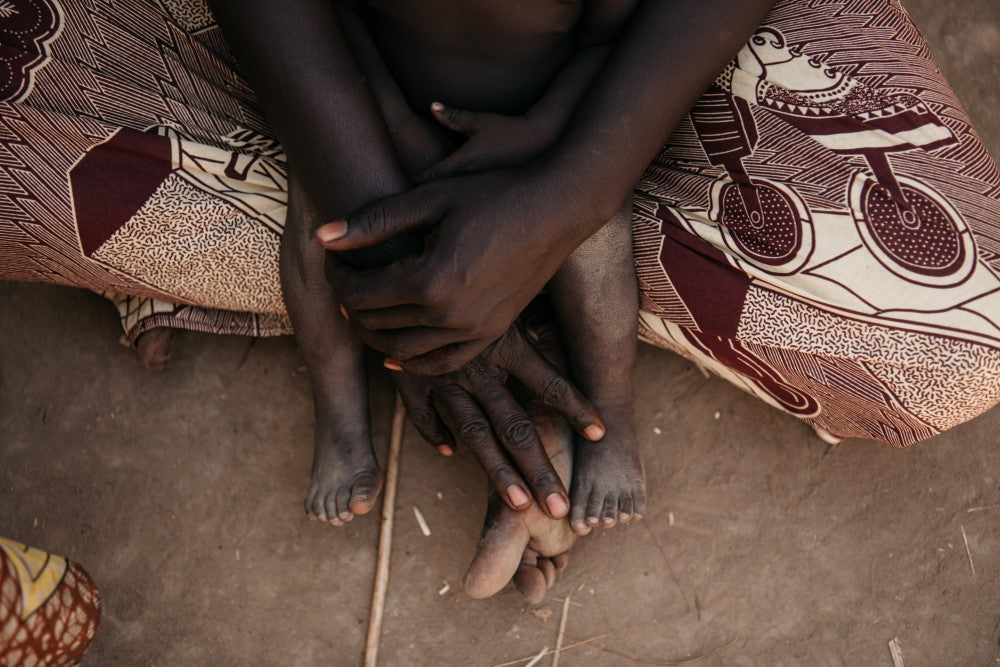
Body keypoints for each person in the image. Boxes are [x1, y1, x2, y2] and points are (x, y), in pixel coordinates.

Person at [1, 0, 998, 599]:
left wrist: (574, 180)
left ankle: (583, 406)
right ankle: (452, 364)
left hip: (595, 112)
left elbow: (620, 45)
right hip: (341, 101)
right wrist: (390, 220)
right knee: (318, 233)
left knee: (948, 346)